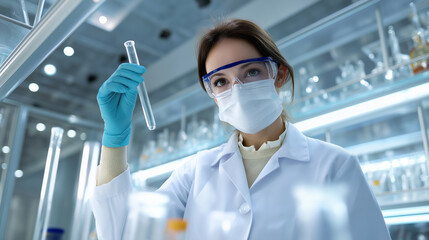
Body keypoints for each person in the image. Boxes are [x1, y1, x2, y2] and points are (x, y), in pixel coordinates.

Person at [91, 19, 391, 240]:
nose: (237, 88)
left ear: (278, 74)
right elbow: (123, 234)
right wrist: (115, 137)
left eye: (251, 72)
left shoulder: (335, 165)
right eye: (221, 81)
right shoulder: (195, 172)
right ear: (212, 92)